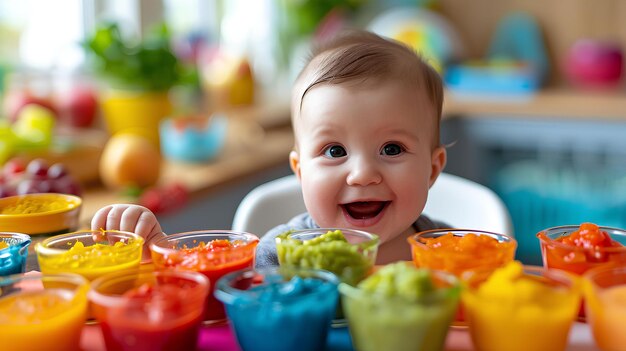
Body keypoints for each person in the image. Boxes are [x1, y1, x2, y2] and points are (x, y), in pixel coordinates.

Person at [91, 29, 448, 266]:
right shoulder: (277, 256)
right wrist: (159, 252)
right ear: (300, 170)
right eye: (335, 151)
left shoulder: (451, 252)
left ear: (432, 169)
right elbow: (211, 296)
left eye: (391, 149)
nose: (363, 174)